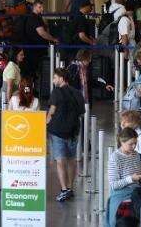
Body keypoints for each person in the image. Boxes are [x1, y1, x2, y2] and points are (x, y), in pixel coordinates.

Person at [47, 68, 84, 202]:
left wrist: (45, 124)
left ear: (62, 78)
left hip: (58, 132)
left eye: (55, 77)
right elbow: (81, 112)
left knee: (60, 161)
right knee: (72, 160)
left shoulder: (56, 92)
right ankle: (70, 187)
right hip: (73, 131)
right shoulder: (77, 93)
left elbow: (51, 112)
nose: (53, 80)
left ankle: (64, 189)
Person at [106, 128, 141, 227]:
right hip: (120, 193)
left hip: (136, 191)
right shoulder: (115, 158)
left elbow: (138, 177)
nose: (134, 146)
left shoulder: (136, 155)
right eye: (130, 144)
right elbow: (114, 185)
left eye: (135, 143)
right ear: (122, 142)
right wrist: (131, 179)